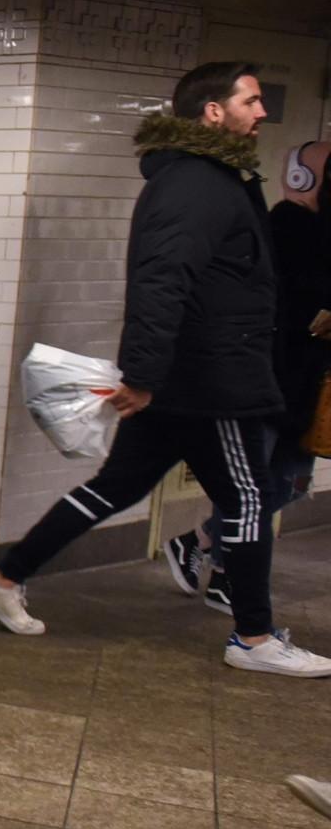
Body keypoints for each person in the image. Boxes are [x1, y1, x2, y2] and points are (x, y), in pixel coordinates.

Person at [0, 64, 331, 679]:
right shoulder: (198, 182)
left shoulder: (209, 177)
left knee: (116, 487)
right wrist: (140, 373)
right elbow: (162, 279)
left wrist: (150, 374)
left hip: (187, 376)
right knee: (248, 497)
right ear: (213, 111)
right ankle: (253, 636)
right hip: (213, 379)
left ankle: (3, 577)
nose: (262, 111)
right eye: (250, 100)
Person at [163, 138, 330, 611]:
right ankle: (227, 575)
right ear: (301, 177)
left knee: (289, 485)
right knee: (252, 487)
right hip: (269, 380)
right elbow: (287, 302)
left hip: (306, 385)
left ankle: (201, 540)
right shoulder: (283, 227)